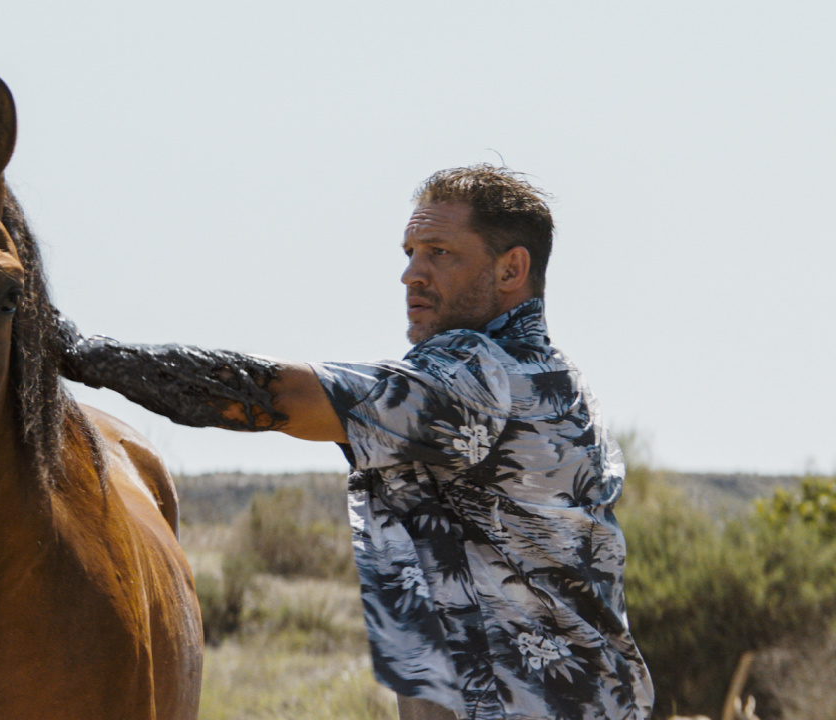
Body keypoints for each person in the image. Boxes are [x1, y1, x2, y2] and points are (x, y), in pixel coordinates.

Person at [57, 165, 654, 720]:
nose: (411, 274)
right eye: (410, 253)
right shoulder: (556, 380)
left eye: (439, 253)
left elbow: (277, 396)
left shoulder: (481, 377)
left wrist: (82, 356)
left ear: (509, 270)